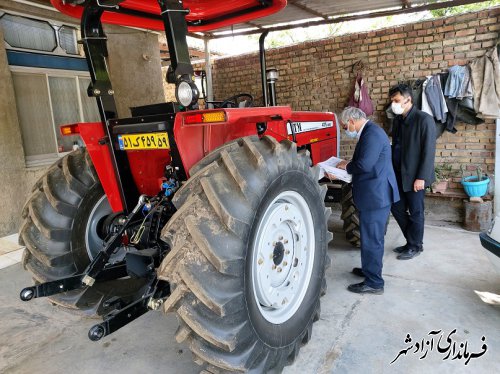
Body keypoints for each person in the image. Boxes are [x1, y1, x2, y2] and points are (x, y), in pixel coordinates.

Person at [334, 107, 399, 295]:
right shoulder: (370, 132)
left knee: (372, 239)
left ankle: (374, 282)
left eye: (345, 126)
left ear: (352, 121)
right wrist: (349, 164)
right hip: (373, 192)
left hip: (376, 195)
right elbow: (365, 160)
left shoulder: (372, 134)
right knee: (370, 236)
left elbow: (364, 164)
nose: (346, 129)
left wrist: (346, 167)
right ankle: (369, 269)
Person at [389, 84, 436, 260]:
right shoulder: (398, 121)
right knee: (396, 207)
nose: (393, 104)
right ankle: (412, 241)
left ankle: (415, 245)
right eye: (392, 100)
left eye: (396, 100)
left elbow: (428, 151)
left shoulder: (424, 120)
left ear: (408, 99)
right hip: (399, 174)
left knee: (416, 211)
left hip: (416, 176)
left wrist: (421, 177)